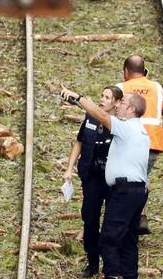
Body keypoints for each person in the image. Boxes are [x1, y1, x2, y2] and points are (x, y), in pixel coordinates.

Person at [59, 87, 150, 279]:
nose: (118, 106)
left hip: (124, 192)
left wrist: (78, 97)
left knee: (109, 239)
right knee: (128, 239)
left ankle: (112, 275)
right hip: (135, 191)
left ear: (131, 109)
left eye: (122, 102)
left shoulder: (125, 127)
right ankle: (128, 275)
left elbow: (100, 115)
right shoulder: (139, 130)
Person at [63, 86, 122, 277]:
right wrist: (69, 168)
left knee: (111, 224)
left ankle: (110, 265)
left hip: (113, 180)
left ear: (116, 103)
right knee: (89, 220)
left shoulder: (120, 123)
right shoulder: (90, 118)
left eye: (107, 97)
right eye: (102, 96)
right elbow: (79, 142)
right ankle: (92, 263)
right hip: (91, 178)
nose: (102, 99)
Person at [116, 55, 163, 235]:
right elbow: (162, 109)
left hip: (130, 140)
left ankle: (132, 218)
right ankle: (139, 217)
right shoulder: (157, 87)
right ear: (144, 71)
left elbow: (113, 112)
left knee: (130, 179)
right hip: (153, 141)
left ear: (126, 71)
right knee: (141, 176)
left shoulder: (121, 88)